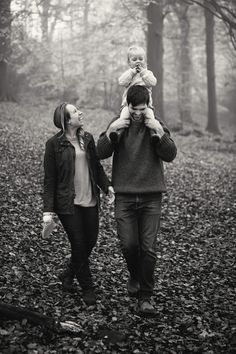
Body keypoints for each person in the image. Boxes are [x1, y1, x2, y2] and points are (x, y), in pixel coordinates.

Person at [97, 85, 177, 315]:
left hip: (152, 197)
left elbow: (170, 155)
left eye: (143, 109)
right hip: (125, 196)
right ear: (128, 105)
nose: (138, 113)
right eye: (134, 109)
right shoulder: (119, 124)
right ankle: (135, 274)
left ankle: (145, 297)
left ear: (148, 106)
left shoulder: (156, 124)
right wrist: (112, 129)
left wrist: (159, 133)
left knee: (148, 248)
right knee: (129, 245)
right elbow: (101, 153)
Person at [43, 102, 113, 306]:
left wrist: (107, 187)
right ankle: (88, 288)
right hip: (67, 203)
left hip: (90, 199)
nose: (80, 112)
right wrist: (47, 211)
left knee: (90, 241)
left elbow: (96, 167)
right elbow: (49, 179)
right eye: (74, 111)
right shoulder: (53, 144)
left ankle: (68, 274)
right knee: (79, 244)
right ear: (65, 120)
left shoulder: (88, 138)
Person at [109, 45, 158, 143]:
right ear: (129, 62)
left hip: (146, 105)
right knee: (123, 116)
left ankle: (154, 134)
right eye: (134, 59)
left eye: (141, 59)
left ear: (145, 61)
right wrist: (132, 73)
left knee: (151, 117)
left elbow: (153, 82)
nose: (138, 61)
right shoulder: (129, 74)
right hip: (128, 104)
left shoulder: (148, 73)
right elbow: (122, 82)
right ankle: (118, 134)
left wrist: (143, 73)